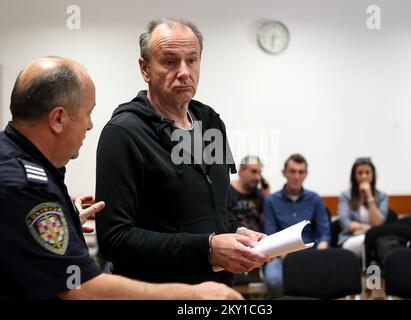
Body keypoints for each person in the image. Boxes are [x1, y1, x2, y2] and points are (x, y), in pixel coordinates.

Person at [0, 56, 243, 300]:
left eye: (192, 59)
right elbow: (79, 288)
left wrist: (65, 218)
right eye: (88, 113)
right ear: (58, 119)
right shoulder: (25, 185)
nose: (90, 125)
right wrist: (189, 295)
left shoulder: (17, 161)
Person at [95, 18, 270, 286]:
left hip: (216, 290)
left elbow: (217, 212)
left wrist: (240, 232)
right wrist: (208, 248)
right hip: (158, 290)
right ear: (145, 69)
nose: (184, 71)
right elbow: (115, 239)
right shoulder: (123, 132)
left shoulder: (210, 123)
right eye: (169, 61)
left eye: (192, 60)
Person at [263, 154, 330, 298]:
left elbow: (324, 233)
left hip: (311, 253)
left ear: (306, 174)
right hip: (280, 254)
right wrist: (284, 256)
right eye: (292, 171)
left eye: (301, 172)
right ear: (284, 173)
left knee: (323, 279)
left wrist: (320, 251)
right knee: (274, 280)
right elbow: (270, 235)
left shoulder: (315, 199)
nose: (297, 176)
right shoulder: (271, 201)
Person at [338, 157, 388, 257]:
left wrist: (369, 196)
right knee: (372, 243)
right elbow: (346, 224)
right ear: (354, 176)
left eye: (367, 172)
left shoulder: (382, 196)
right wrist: (369, 228)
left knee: (380, 243)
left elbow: (378, 223)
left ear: (373, 175)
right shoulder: (346, 196)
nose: (364, 176)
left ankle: (375, 270)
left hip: (375, 238)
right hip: (351, 238)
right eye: (360, 173)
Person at [229, 155, 269, 233]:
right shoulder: (227, 192)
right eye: (253, 171)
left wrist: (267, 198)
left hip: (258, 241)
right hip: (234, 240)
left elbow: (266, 223)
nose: (258, 177)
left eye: (259, 173)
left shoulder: (259, 195)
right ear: (241, 171)